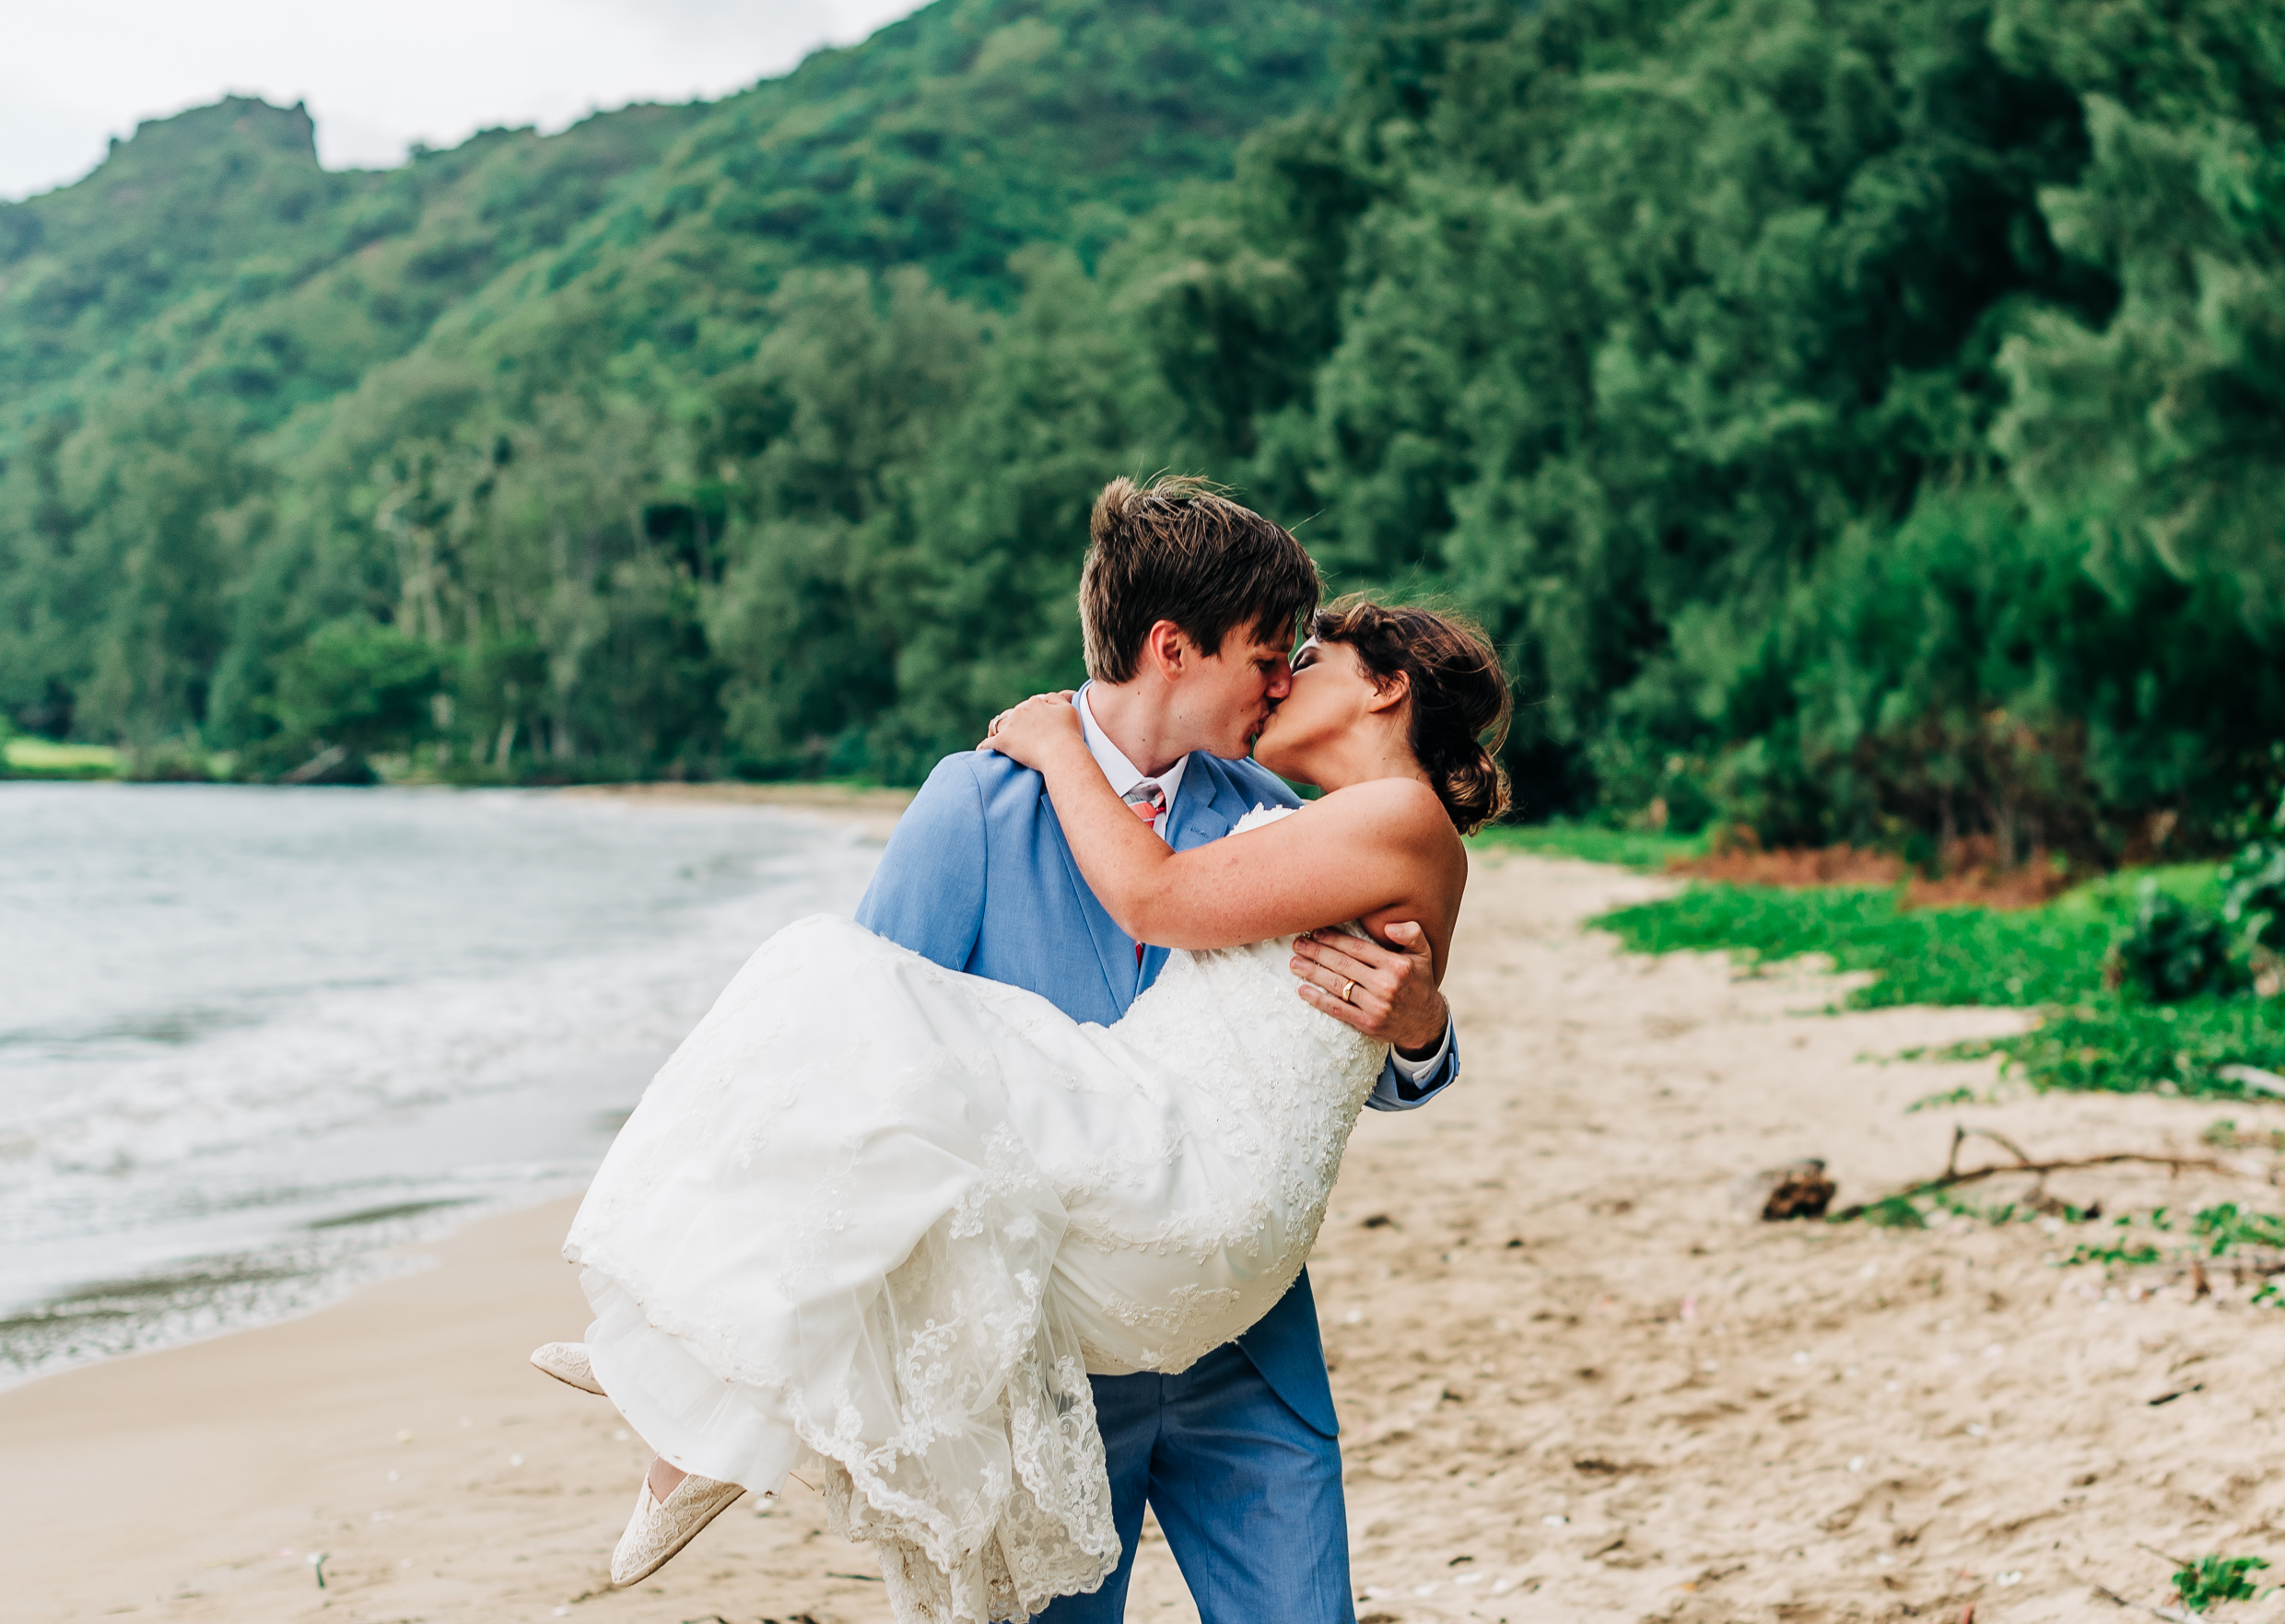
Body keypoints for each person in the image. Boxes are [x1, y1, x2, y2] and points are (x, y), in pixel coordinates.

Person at [542, 477, 1508, 1623]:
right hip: (1050, 1339)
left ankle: (695, 1363)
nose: (1284, 674)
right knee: (836, 999)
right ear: (1173, 645)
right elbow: (848, 1082)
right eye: (1271, 650)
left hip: (1236, 1338)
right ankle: (700, 1358)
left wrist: (1420, 1029)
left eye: (1302, 655)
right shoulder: (973, 804)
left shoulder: (1278, 808)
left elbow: (1302, 1042)